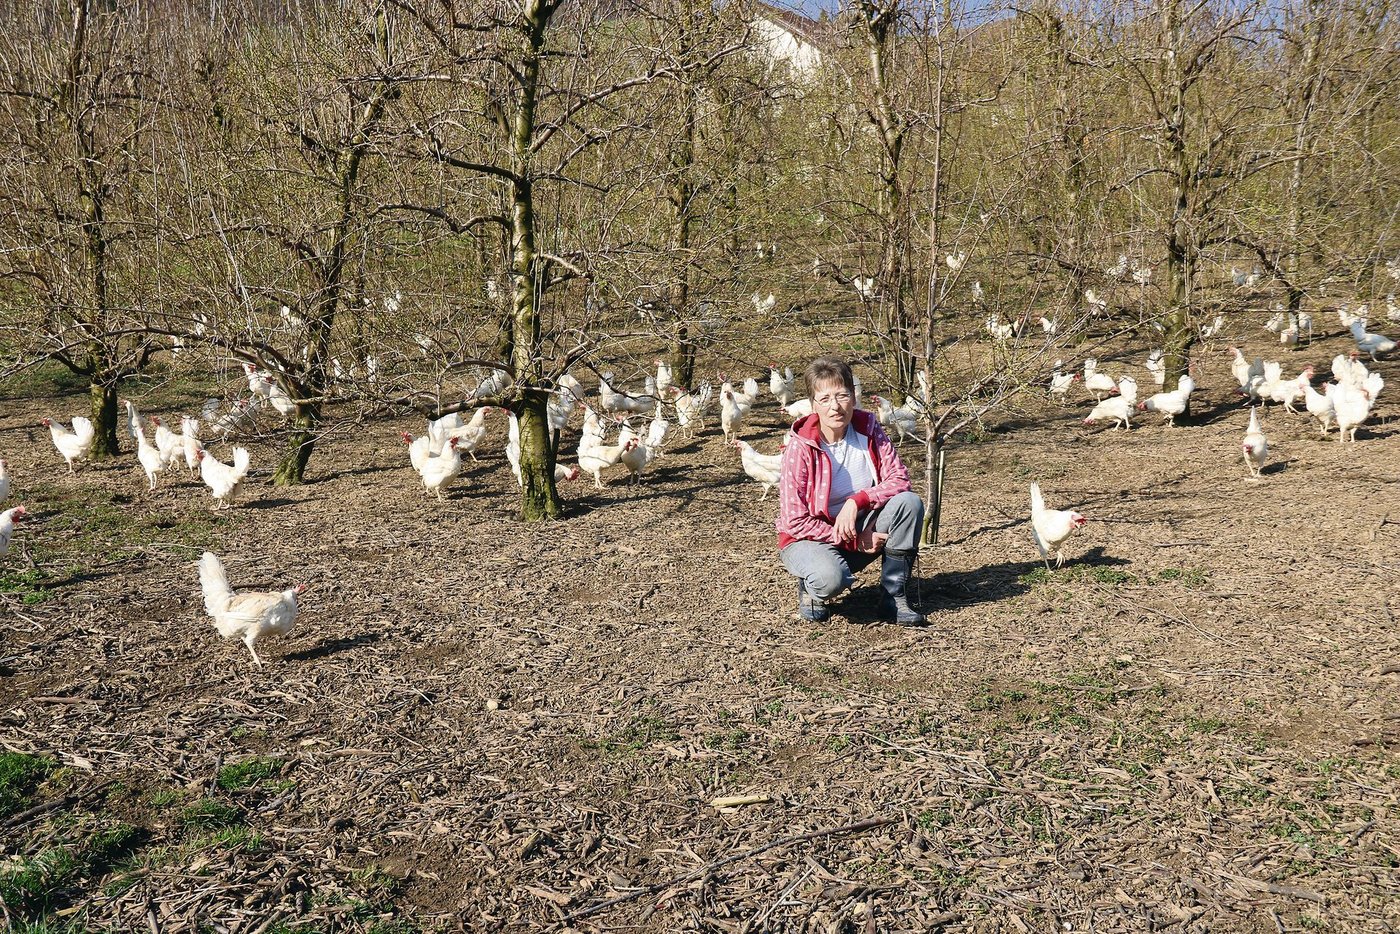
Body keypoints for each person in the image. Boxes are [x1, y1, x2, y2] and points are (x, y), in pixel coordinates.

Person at [776, 356, 926, 626]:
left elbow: (900, 479)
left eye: (842, 395)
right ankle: (812, 589)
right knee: (829, 579)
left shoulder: (868, 429)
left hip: (862, 524)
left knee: (908, 503)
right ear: (813, 405)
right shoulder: (800, 448)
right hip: (810, 538)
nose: (835, 407)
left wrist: (857, 501)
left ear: (854, 397)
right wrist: (853, 540)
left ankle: (893, 598)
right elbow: (794, 521)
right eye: (825, 399)